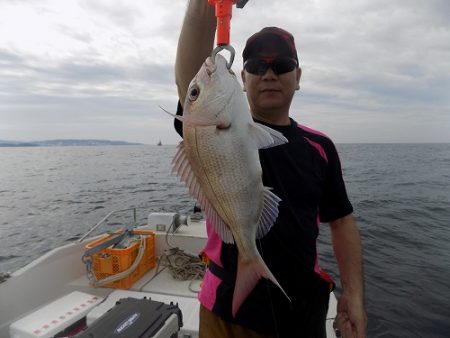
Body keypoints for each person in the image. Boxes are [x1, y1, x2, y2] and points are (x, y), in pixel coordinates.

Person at [174, 1, 367, 337]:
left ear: (298, 77)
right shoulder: (205, 126)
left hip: (302, 311)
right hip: (227, 313)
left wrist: (354, 295)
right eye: (256, 65)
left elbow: (342, 221)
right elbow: (193, 68)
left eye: (281, 63)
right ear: (243, 76)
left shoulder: (320, 147)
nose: (269, 73)